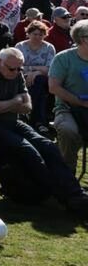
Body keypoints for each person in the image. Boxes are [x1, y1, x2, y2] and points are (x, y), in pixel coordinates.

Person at [0, 49, 88, 214]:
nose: (17, 72)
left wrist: (6, 104)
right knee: (27, 150)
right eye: (12, 69)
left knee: (48, 146)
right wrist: (15, 101)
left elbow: (27, 107)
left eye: (20, 69)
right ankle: (58, 195)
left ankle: (75, 193)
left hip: (13, 121)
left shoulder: (16, 74)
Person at [49, 20, 88, 169]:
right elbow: (54, 88)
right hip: (67, 109)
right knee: (68, 130)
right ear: (84, 39)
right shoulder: (63, 58)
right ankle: (66, 176)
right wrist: (81, 102)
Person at [15, 20, 56, 136]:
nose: (38, 37)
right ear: (28, 33)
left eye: (41, 34)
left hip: (43, 79)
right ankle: (39, 122)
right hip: (22, 77)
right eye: (35, 34)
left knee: (38, 82)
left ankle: (29, 115)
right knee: (39, 90)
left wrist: (35, 72)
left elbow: (50, 68)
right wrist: (37, 70)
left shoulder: (49, 47)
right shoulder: (20, 46)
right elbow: (17, 65)